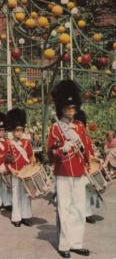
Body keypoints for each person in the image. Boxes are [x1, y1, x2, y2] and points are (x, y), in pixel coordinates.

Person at [47, 80, 90, 258]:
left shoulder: (80, 127)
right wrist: (61, 150)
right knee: (64, 209)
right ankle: (64, 244)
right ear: (61, 108)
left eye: (73, 108)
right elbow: (50, 152)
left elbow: (87, 147)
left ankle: (76, 242)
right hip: (63, 172)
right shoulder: (56, 128)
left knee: (79, 208)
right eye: (67, 108)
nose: (70, 111)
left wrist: (89, 164)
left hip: (79, 172)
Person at [6, 108, 35, 228]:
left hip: (25, 172)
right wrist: (12, 170)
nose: (19, 132)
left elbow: (30, 155)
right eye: (17, 130)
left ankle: (26, 216)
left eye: (21, 130)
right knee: (16, 194)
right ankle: (16, 217)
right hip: (15, 173)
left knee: (26, 194)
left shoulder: (27, 143)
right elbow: (6, 160)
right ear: (13, 131)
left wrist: (32, 162)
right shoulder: (9, 143)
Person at [74, 109, 97, 224]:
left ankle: (87, 213)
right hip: (75, 168)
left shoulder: (87, 139)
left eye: (81, 124)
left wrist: (93, 159)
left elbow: (90, 152)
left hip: (86, 168)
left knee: (87, 191)